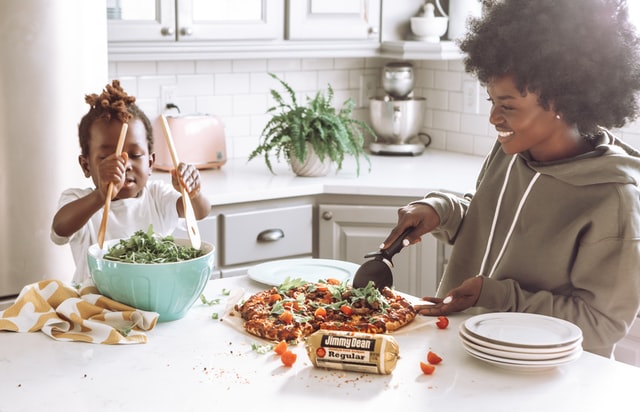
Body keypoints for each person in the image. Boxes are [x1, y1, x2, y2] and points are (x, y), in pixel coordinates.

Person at [381, 0, 640, 358]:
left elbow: (601, 326)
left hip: (543, 381)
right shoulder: (511, 151)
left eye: (508, 106)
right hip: (459, 350)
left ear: (562, 101)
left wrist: (498, 296)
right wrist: (442, 210)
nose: (493, 118)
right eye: (491, 101)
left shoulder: (612, 198)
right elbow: (493, 221)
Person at [51, 80, 211, 287]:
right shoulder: (79, 200)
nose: (124, 165)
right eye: (107, 158)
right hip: (96, 306)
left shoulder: (156, 196)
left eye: (135, 155)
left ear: (151, 163)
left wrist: (193, 193)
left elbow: (200, 212)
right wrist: (101, 194)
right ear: (86, 165)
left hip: (153, 298)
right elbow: (60, 229)